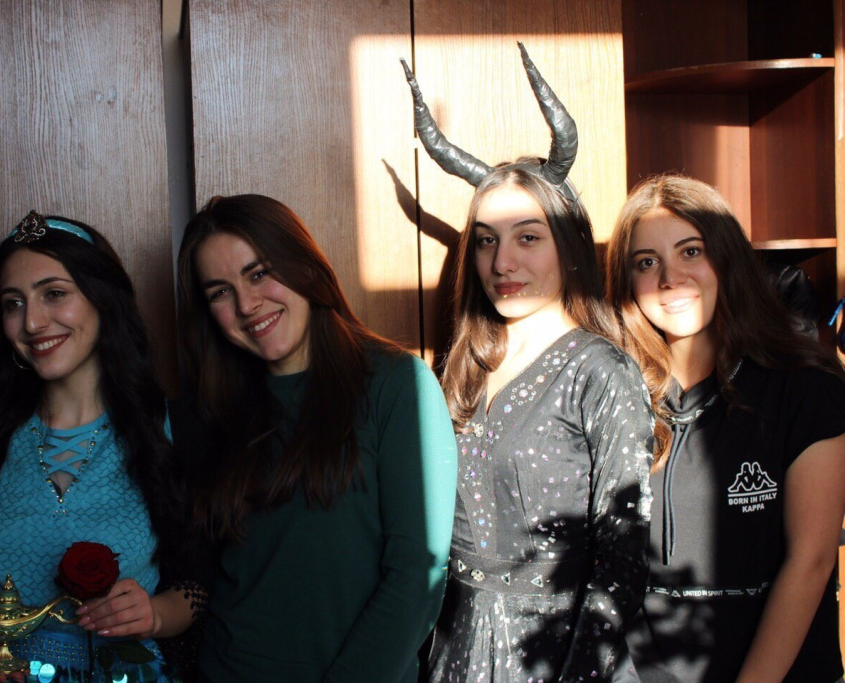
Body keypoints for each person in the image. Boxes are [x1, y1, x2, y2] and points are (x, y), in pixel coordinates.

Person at [402, 44, 654, 682]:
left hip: (555, 655)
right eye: (486, 241)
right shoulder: (463, 365)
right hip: (457, 649)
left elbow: (621, 564)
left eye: (527, 237)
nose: (502, 262)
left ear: (567, 245)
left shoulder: (602, 372)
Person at [175, 193, 458, 682]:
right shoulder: (215, 408)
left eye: (258, 273)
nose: (246, 304)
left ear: (304, 265)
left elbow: (417, 576)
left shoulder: (397, 385)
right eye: (220, 291)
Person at [0, 211, 205, 683]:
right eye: (13, 303)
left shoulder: (170, 430)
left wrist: (156, 613)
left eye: (54, 293)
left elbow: (198, 583)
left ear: (103, 299)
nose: (32, 321)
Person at [605, 173, 845, 682]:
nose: (670, 278)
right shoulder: (615, 395)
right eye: (647, 262)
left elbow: (812, 561)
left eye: (690, 252)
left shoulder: (806, 387)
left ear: (727, 258)